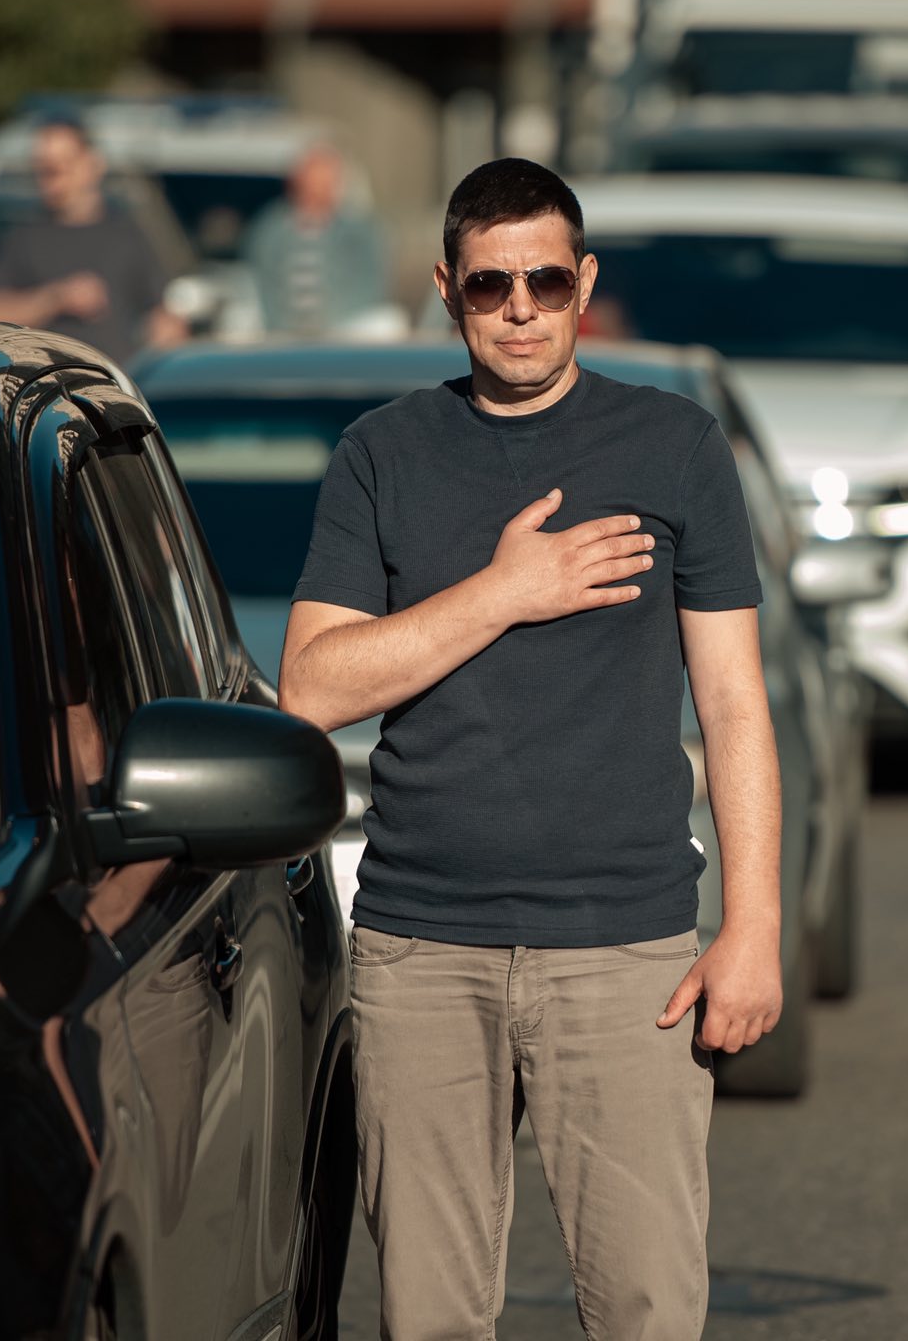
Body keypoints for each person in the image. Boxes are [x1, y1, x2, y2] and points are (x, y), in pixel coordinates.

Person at [279, 158, 782, 1339]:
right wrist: (506, 591)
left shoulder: (675, 446)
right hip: (419, 950)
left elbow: (733, 703)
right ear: (445, 290)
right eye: (490, 285)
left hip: (625, 951)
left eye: (545, 281)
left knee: (647, 1308)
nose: (519, 308)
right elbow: (310, 687)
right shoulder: (381, 455)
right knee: (429, 1318)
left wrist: (751, 929)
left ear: (582, 285)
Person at [0, 115, 184, 362]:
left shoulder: (126, 233)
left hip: (113, 378)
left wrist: (165, 338)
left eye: (63, 165)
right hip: (46, 379)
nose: (51, 177)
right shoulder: (23, 235)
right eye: (43, 168)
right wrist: (56, 298)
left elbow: (161, 313)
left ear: (93, 164)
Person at [240, 142, 391, 335]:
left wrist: (331, 321)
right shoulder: (270, 229)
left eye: (329, 179)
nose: (322, 186)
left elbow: (371, 284)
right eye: (315, 179)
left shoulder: (359, 230)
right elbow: (260, 281)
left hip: (344, 327)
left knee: (387, 322)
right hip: (281, 329)